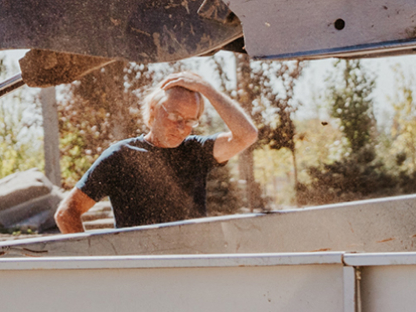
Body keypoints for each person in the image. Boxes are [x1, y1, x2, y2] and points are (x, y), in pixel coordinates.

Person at [53, 71, 261, 232]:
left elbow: (247, 135)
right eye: (175, 116)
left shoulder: (196, 150)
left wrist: (208, 90)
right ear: (153, 109)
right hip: (141, 273)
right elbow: (66, 213)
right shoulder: (120, 157)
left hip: (193, 269)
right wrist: (94, 269)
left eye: (190, 121)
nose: (181, 128)